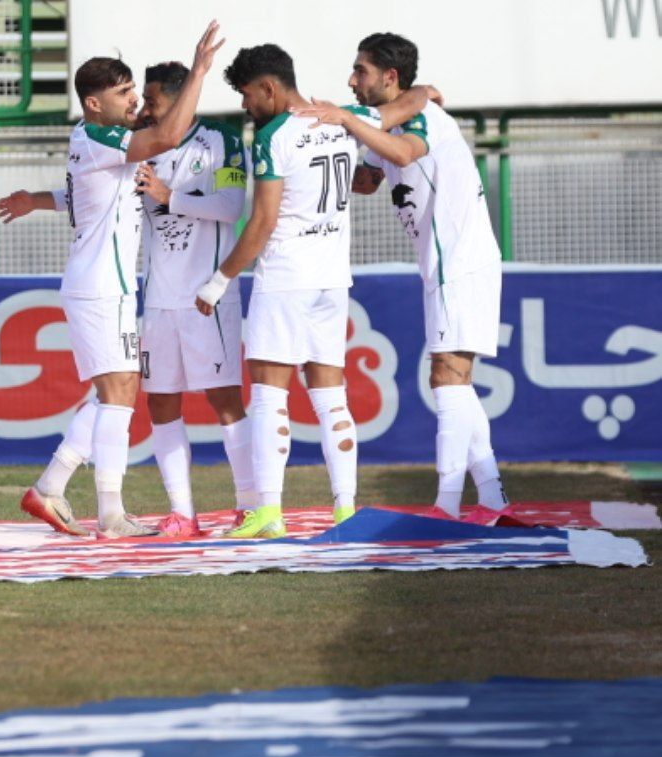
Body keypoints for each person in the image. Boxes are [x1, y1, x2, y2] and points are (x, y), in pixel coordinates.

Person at [0, 21, 224, 537]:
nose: (134, 98)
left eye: (133, 89)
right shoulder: (100, 136)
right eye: (123, 92)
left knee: (113, 392)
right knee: (119, 392)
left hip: (100, 283)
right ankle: (110, 513)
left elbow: (82, 194)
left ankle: (52, 488)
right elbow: (167, 136)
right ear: (94, 104)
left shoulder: (93, 138)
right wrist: (198, 73)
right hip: (102, 285)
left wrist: (36, 200)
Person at [195, 43, 434, 538]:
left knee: (269, 395)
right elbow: (404, 106)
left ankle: (268, 512)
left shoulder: (273, 136)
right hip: (332, 277)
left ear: (269, 88)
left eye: (247, 95)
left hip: (286, 276)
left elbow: (262, 223)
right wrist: (427, 90)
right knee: (331, 397)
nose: (245, 106)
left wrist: (218, 281)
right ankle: (345, 508)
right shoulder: (345, 118)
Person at [297, 32, 507, 520]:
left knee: (447, 377)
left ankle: (447, 505)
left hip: (460, 261)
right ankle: (493, 497)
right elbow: (366, 180)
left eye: (361, 70)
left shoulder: (423, 117)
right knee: (457, 381)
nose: (352, 80)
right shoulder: (390, 120)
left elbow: (404, 154)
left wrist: (346, 118)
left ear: (390, 77)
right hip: (446, 264)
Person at [132, 61, 253, 537]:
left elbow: (230, 207)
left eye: (153, 101)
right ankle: (183, 513)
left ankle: (250, 505)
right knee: (161, 402)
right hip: (159, 300)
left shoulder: (222, 139)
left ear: (181, 99)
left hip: (208, 296)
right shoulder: (144, 144)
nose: (145, 109)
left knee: (224, 399)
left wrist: (169, 196)